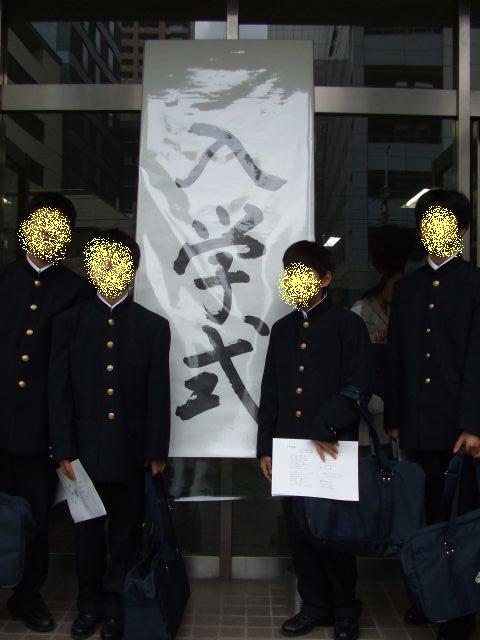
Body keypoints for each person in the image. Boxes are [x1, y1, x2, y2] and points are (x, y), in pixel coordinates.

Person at [48, 229, 171, 640]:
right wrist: (63, 448)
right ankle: (88, 605)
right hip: (81, 451)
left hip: (131, 451)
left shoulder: (152, 326)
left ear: (132, 270)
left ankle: (116, 604)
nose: (110, 269)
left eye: (119, 262)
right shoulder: (69, 322)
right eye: (102, 261)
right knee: (86, 533)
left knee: (124, 532)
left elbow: (158, 393)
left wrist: (156, 450)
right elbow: (59, 391)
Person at [257, 241, 372, 640]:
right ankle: (314, 606)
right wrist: (265, 447)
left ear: (325, 279)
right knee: (300, 531)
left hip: (331, 445)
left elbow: (359, 385)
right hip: (290, 447)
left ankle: (345, 609)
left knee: (334, 530)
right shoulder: (282, 329)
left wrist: (327, 425)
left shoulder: (347, 324)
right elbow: (271, 391)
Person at [385, 188, 480, 640]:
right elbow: (397, 357)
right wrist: (394, 418)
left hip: (458, 428)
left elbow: (478, 359)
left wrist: (473, 424)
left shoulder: (475, 283)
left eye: (446, 223)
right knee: (421, 513)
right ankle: (427, 596)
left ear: (462, 230)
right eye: (429, 223)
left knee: (458, 519)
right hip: (416, 424)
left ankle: (458, 612)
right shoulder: (408, 288)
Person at [0, 192, 92, 633]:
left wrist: (64, 434)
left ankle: (27, 596)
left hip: (40, 429)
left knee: (35, 516)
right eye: (40, 224)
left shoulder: (75, 291)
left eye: (57, 227)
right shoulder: (4, 280)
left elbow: (75, 368)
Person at [351, 270, 403, 448]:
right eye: (394, 285)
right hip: (367, 374)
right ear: (383, 283)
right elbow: (354, 340)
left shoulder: (395, 309)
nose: (397, 290)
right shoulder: (362, 307)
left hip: (387, 376)